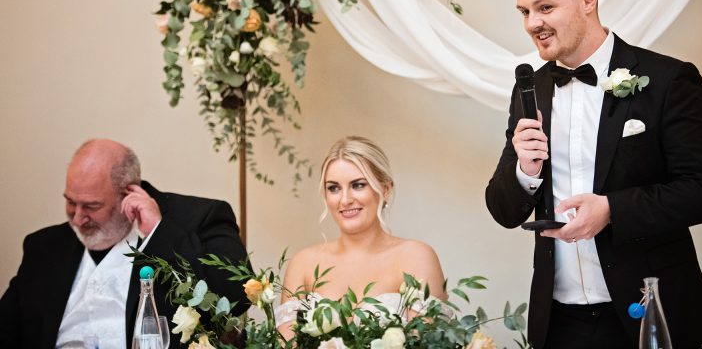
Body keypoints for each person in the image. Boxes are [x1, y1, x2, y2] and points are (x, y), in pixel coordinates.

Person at [485, 0, 702, 349]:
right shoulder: (530, 88)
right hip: (560, 323)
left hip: (650, 312)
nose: (532, 23)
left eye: (544, 7)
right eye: (525, 12)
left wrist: (612, 210)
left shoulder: (668, 79)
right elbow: (504, 211)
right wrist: (524, 171)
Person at [0, 139, 249, 349]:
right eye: (70, 202)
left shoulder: (199, 218)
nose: (77, 218)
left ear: (129, 193)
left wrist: (159, 233)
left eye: (91, 206)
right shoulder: (44, 247)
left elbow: (236, 294)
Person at [276, 136, 447, 340]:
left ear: (385, 188)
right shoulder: (303, 263)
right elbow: (287, 343)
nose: (345, 199)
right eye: (334, 188)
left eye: (358, 185)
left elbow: (427, 342)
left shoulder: (416, 257)